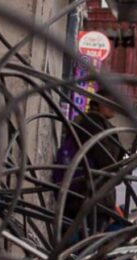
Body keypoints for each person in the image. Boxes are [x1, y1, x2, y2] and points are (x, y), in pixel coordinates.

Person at [54, 90, 128, 238]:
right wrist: (120, 165)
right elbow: (107, 161)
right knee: (79, 248)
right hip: (86, 197)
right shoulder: (92, 122)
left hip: (91, 198)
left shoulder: (98, 125)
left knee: (85, 248)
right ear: (96, 103)